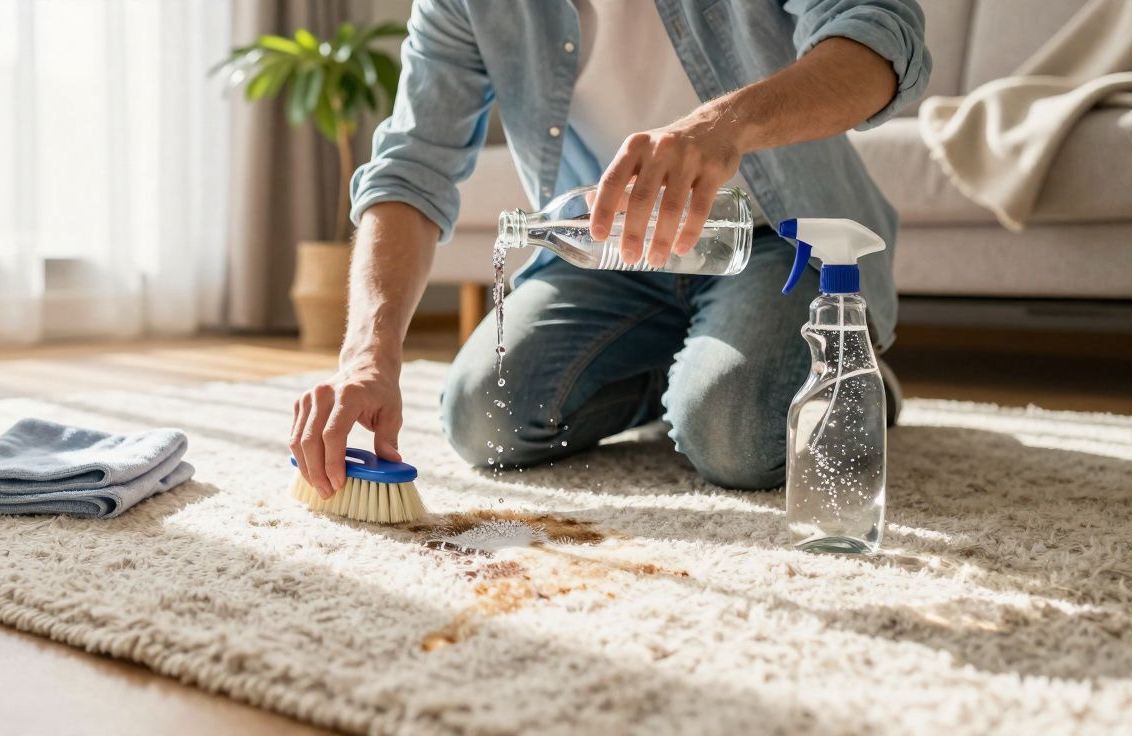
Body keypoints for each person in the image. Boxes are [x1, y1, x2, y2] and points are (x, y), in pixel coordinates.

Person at [289, 0, 930, 497]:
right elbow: (410, 169)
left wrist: (723, 128)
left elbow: (879, 37)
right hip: (608, 256)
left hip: (777, 239)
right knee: (484, 417)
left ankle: (845, 370)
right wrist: (368, 355)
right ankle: (706, 372)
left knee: (734, 434)